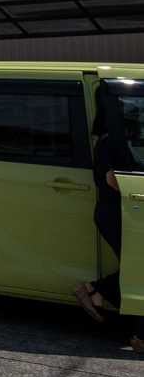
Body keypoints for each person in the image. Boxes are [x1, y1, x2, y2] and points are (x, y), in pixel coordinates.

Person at [76, 90, 144, 352]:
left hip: (122, 212)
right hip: (115, 213)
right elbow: (112, 179)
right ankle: (138, 335)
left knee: (137, 269)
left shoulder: (113, 140)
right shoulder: (109, 144)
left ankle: (96, 290)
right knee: (138, 270)